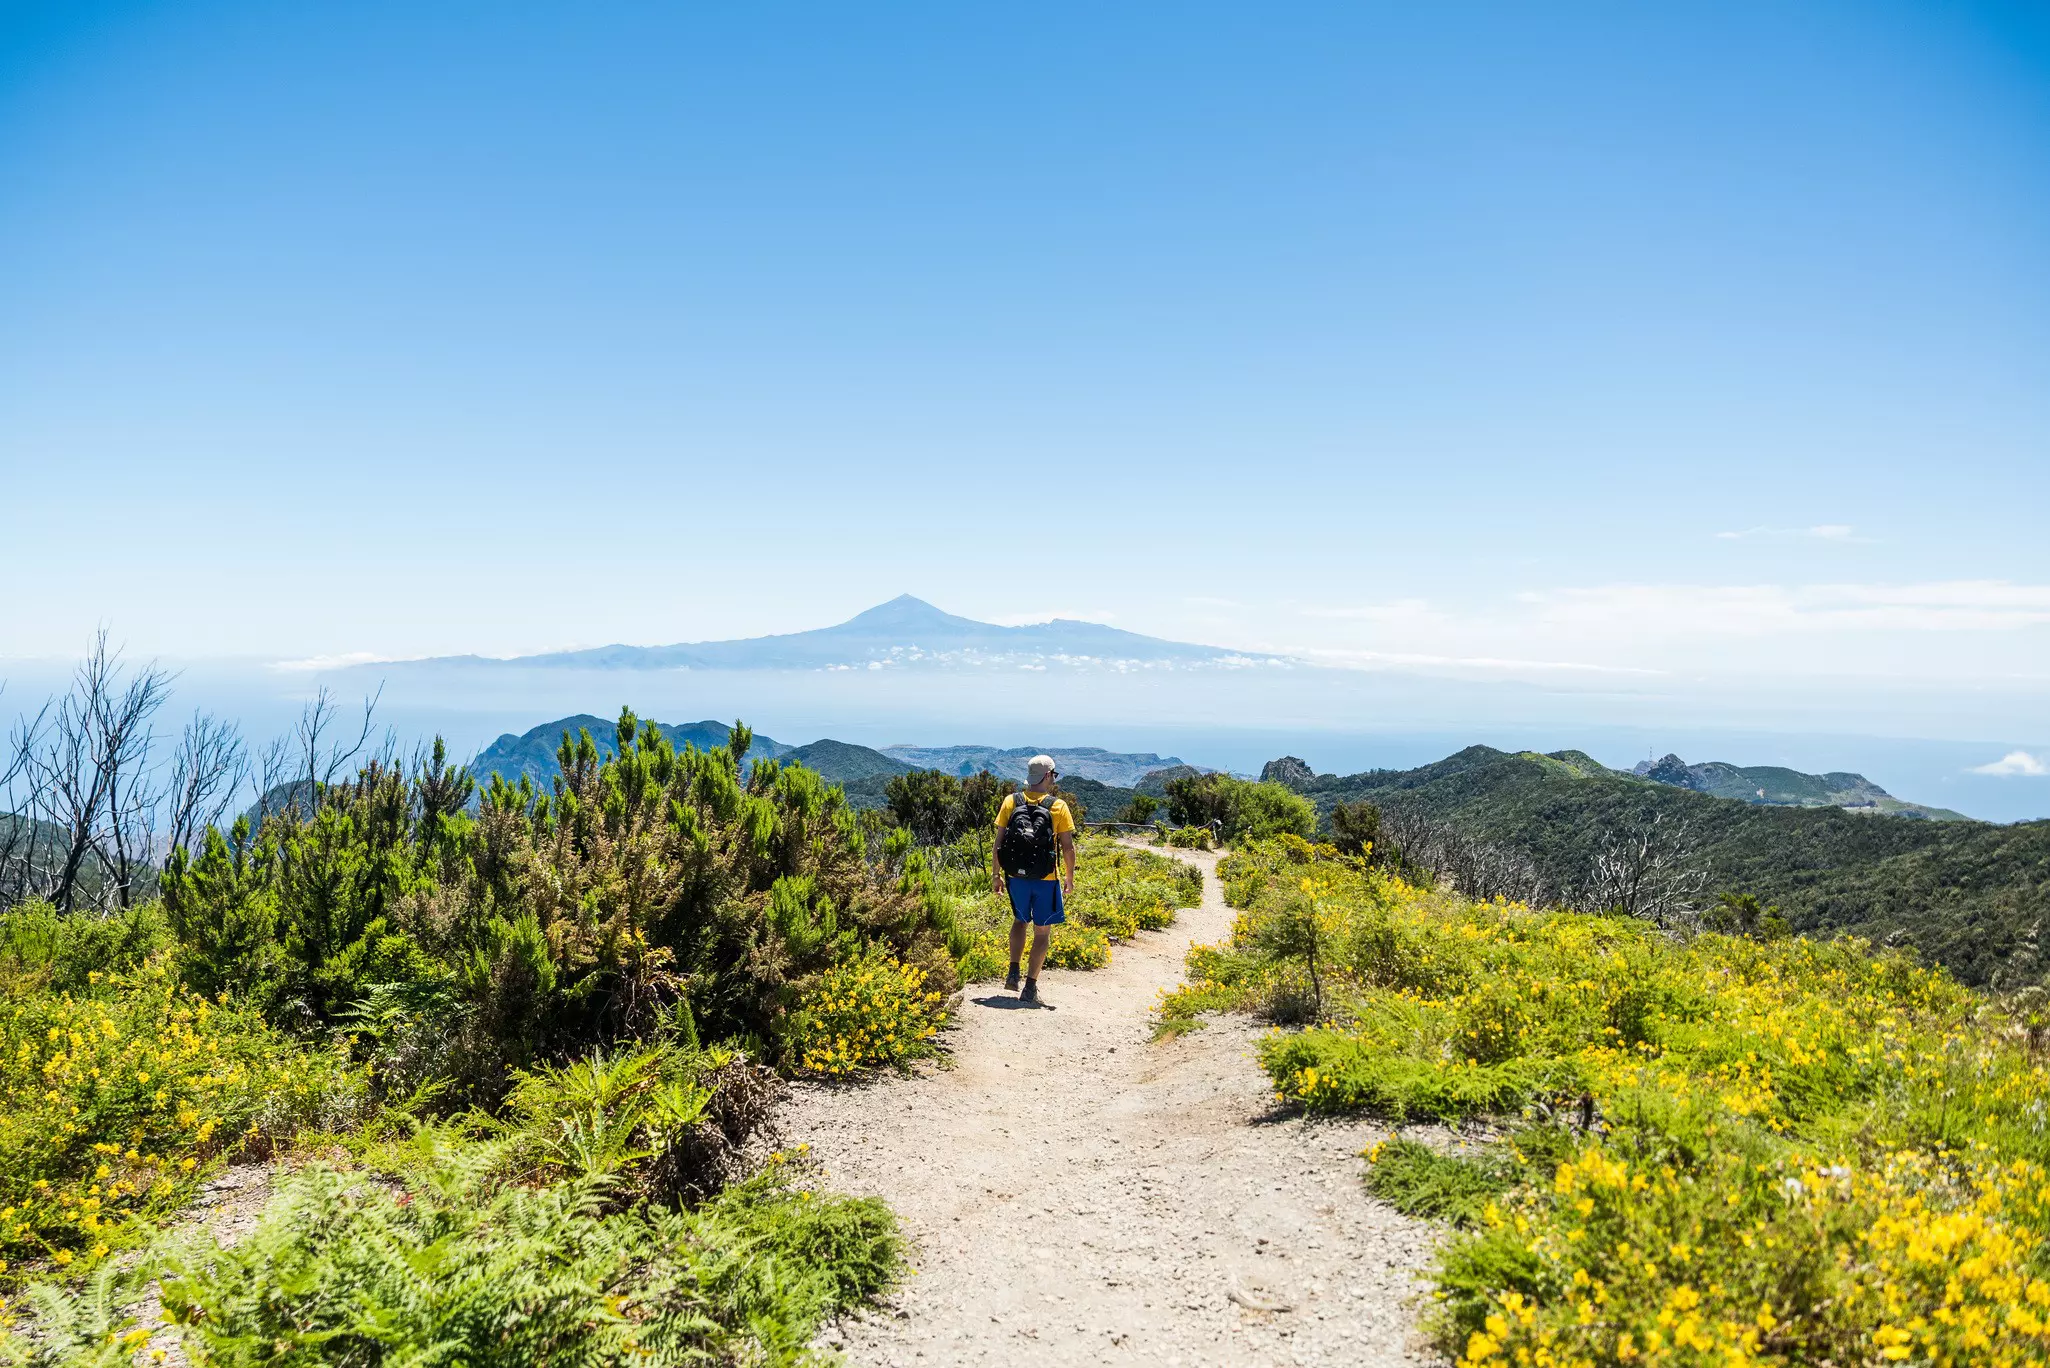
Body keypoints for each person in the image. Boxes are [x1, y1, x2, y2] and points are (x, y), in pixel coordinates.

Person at [990, 755, 1077, 1005]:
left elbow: (998, 844)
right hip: (1046, 878)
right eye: (1054, 775)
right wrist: (1069, 878)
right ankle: (1030, 987)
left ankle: (1013, 971)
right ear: (1048, 776)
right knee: (1042, 933)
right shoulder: (1058, 806)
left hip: (1015, 875)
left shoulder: (1011, 801)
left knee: (1019, 921)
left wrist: (996, 875)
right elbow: (1067, 847)